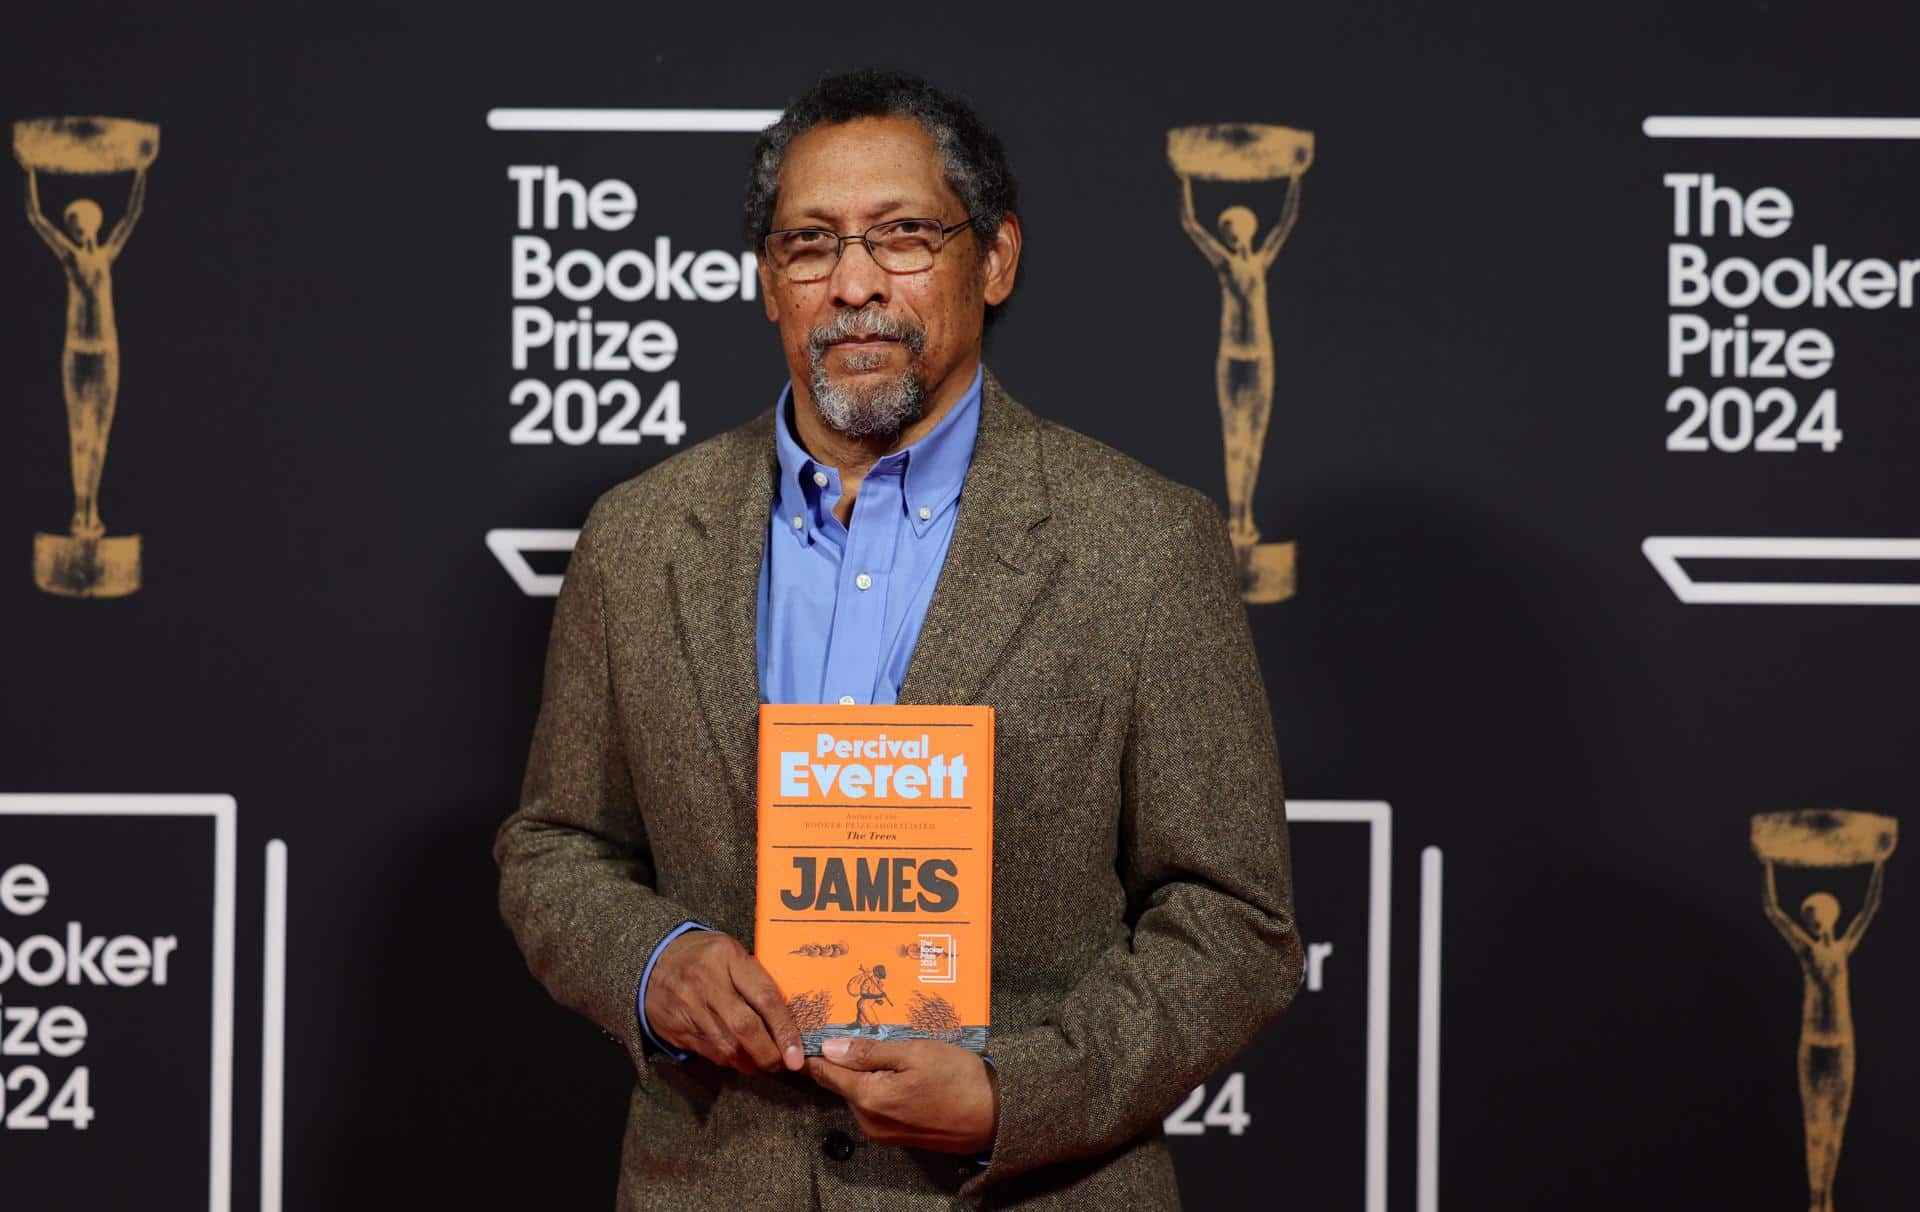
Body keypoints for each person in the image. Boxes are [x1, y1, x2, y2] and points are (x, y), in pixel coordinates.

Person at [495, 69, 1302, 1209]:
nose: (856, 284)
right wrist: (650, 962)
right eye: (811, 245)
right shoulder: (639, 538)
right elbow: (555, 846)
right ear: (769, 282)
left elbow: (1237, 920)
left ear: (997, 260)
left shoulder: (1143, 543)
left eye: (904, 237)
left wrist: (1017, 1094)